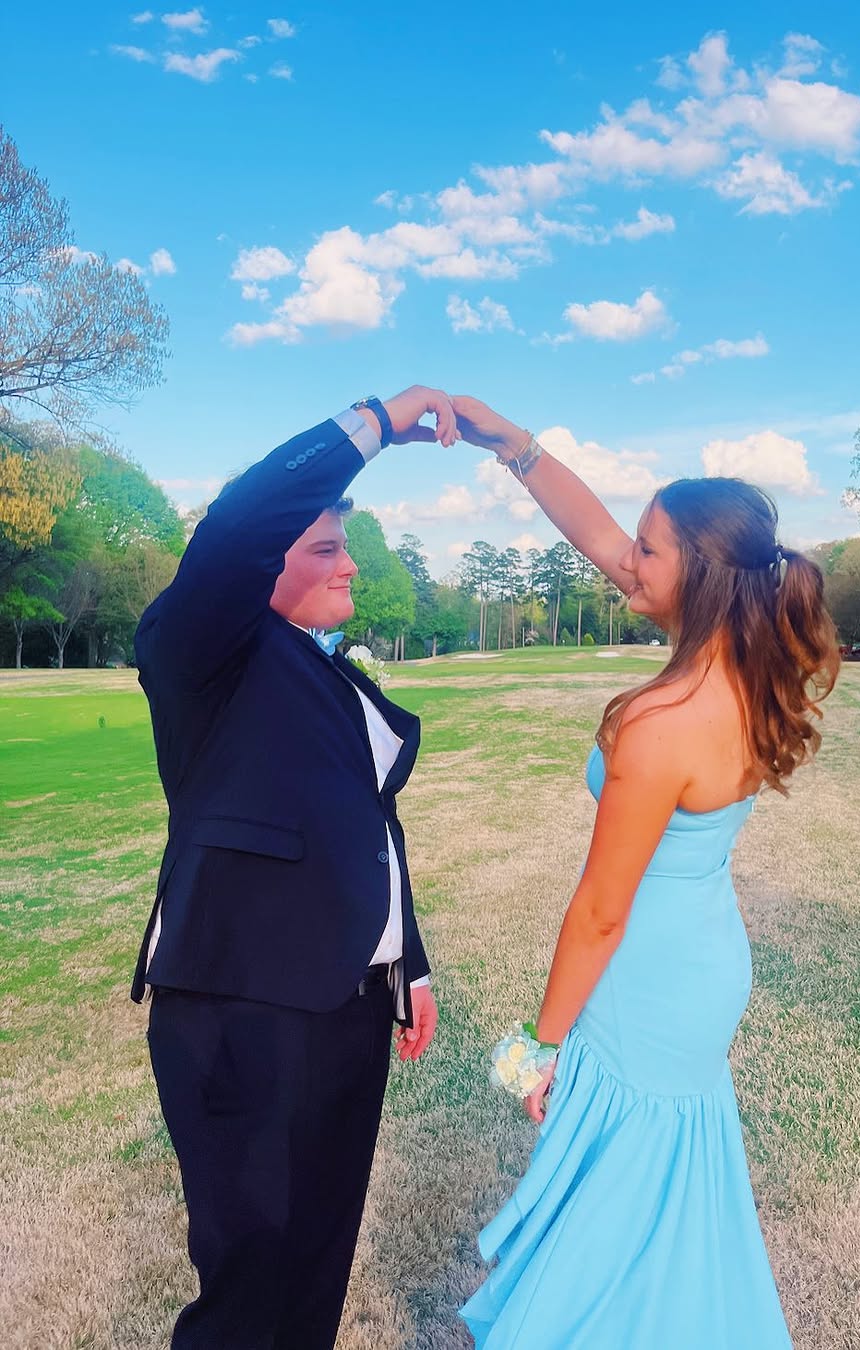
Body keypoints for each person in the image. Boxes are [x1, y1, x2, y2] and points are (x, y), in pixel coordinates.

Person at [452, 397, 840, 1348]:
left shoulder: (661, 722)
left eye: (649, 549)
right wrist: (517, 448)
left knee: (616, 1211)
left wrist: (540, 1044)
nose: (627, 558)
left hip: (647, 981)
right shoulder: (745, 674)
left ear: (698, 575)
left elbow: (599, 910)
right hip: (702, 965)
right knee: (661, 1194)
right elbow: (597, 534)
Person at [132, 386, 456, 1350]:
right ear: (263, 562)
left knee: (317, 1265)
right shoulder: (201, 654)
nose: (349, 563)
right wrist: (379, 422)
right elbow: (239, 524)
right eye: (324, 548)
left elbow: (363, 826)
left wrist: (408, 962)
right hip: (244, 1011)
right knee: (251, 1283)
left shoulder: (321, 666)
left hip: (346, 1008)